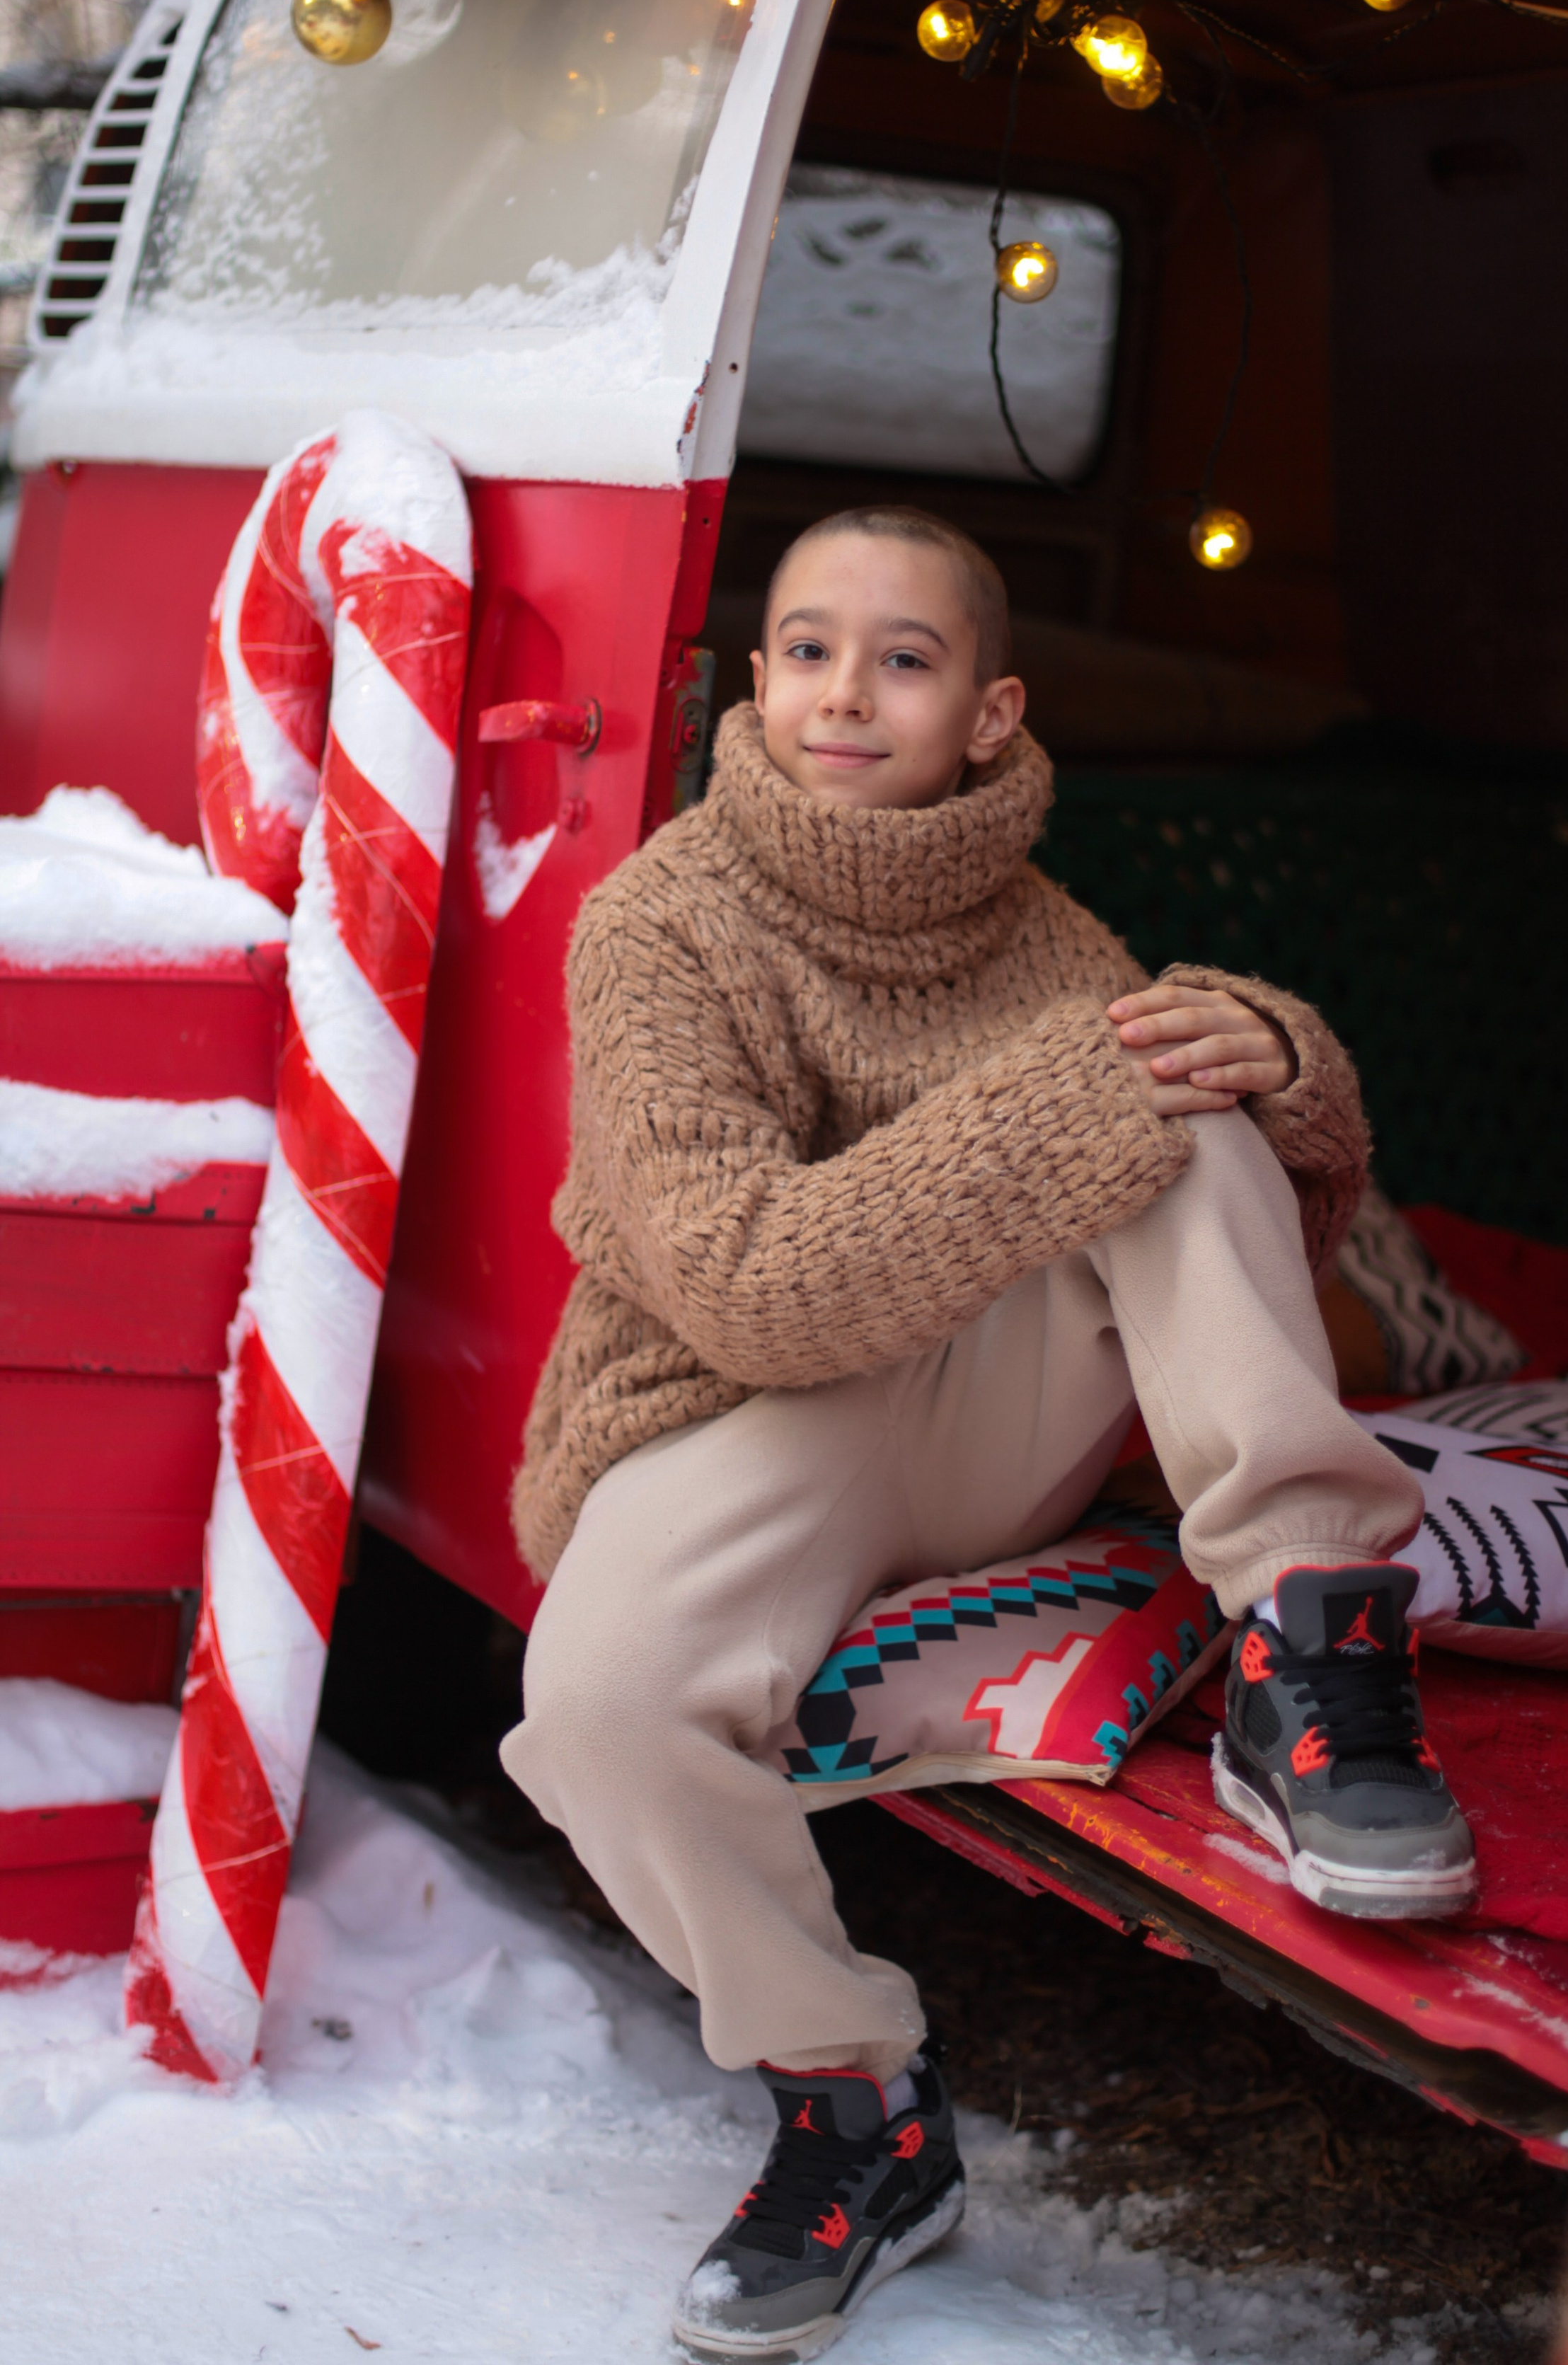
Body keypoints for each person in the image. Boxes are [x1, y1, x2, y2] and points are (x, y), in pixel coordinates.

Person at [500, 507, 1474, 2361]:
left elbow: (1266, 1188)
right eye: (804, 647)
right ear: (757, 675)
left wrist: (1280, 1053)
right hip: (737, 1411)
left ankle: (1315, 1654)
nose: (843, 693)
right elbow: (750, 1286)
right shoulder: (662, 925)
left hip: (980, 1417)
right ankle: (857, 2113)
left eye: (904, 658)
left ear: (993, 712)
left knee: (1183, 1100)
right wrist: (1057, 1118)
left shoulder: (1045, 937)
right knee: (596, 1714)